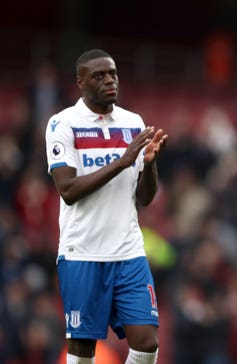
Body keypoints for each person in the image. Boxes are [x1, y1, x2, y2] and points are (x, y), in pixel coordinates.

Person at [45, 49, 168, 364]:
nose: (109, 80)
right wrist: (123, 161)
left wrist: (149, 165)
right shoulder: (63, 124)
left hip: (128, 252)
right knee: (83, 351)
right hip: (82, 253)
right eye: (99, 76)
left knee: (148, 343)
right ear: (80, 82)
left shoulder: (132, 123)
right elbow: (68, 189)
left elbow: (144, 197)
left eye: (112, 73)